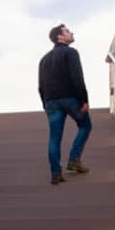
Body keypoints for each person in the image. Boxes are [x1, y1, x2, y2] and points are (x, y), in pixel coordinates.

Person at [38, 24, 91, 185]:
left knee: (54, 138)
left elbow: (41, 86)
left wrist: (45, 104)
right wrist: (84, 99)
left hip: (51, 102)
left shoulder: (44, 60)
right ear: (60, 37)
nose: (71, 32)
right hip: (70, 99)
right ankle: (74, 159)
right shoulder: (71, 52)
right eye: (68, 31)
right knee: (85, 126)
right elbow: (77, 77)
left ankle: (56, 174)